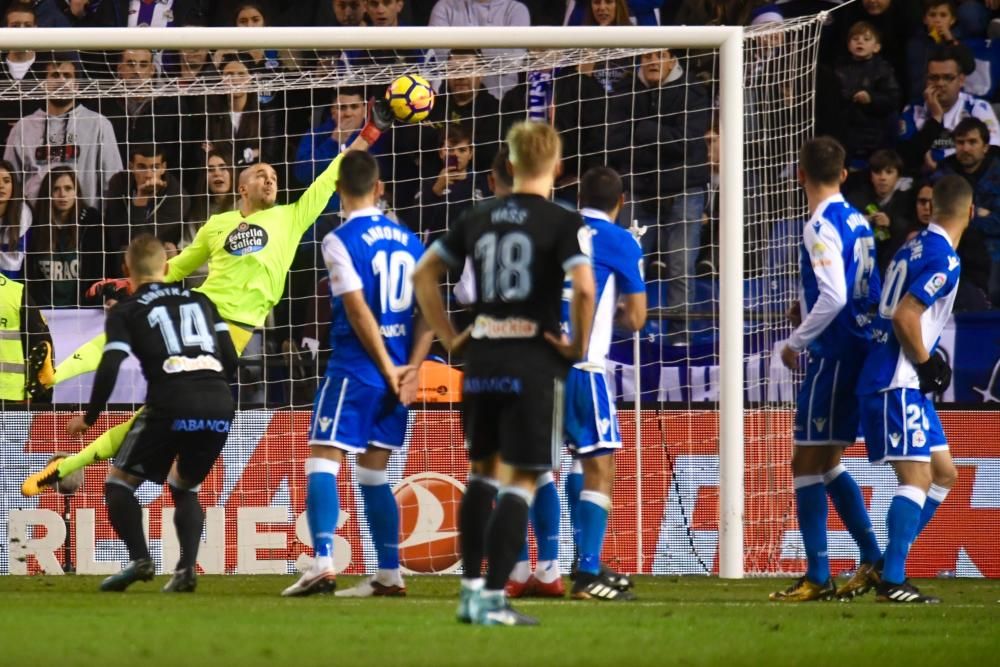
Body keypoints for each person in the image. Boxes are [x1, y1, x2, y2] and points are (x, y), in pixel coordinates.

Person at [20, 99, 394, 496]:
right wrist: (126, 283)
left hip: (227, 334)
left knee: (160, 411)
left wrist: (373, 129)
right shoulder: (218, 225)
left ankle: (68, 464)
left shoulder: (291, 216)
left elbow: (336, 169)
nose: (270, 180)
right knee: (131, 320)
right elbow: (176, 269)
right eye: (261, 174)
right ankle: (53, 375)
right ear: (242, 186)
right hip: (197, 311)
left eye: (273, 177)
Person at [413, 121, 596, 626]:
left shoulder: (479, 215)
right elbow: (583, 289)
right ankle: (493, 599)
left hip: (483, 358)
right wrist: (575, 346)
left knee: (481, 475)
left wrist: (451, 338)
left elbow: (423, 274)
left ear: (509, 165)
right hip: (534, 359)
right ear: (557, 168)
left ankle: (471, 591)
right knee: (524, 479)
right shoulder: (564, 221)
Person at [281, 150, 432, 598]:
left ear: (337, 191)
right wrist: (411, 370)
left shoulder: (339, 239)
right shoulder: (411, 241)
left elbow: (357, 307)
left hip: (356, 368)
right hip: (399, 374)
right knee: (372, 473)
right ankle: (388, 573)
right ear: (380, 187)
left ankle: (323, 562)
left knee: (322, 457)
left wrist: (385, 365)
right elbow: (431, 312)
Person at [66, 235, 237, 593]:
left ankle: (141, 558)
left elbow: (111, 362)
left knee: (118, 484)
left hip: (172, 399)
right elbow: (231, 358)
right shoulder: (202, 300)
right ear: (166, 267)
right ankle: (186, 570)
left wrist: (90, 417)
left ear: (126, 270)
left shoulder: (127, 309)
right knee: (185, 485)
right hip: (220, 401)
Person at [507, 167, 646, 602]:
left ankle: (540, 565)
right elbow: (637, 318)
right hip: (583, 367)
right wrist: (615, 316)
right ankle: (587, 570)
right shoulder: (620, 240)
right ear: (620, 203)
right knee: (599, 465)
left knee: (540, 468)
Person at [771, 137, 883, 603]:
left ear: (800, 175)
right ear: (843, 173)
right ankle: (873, 558)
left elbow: (834, 294)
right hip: (861, 345)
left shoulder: (819, 223)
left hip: (834, 353)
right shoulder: (857, 217)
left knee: (805, 462)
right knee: (829, 461)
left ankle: (818, 574)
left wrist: (795, 340)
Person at [856, 175, 972, 604]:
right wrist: (926, 364)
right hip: (897, 379)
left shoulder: (911, 244)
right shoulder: (946, 258)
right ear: (969, 211)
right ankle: (892, 580)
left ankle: (886, 564)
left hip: (893, 375)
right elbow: (907, 317)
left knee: (944, 473)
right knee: (918, 477)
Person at [608, 49, 709, 343]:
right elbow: (613, 140)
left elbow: (687, 142)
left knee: (681, 267)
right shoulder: (626, 91)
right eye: (647, 56)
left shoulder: (692, 90)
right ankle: (622, 337)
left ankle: (679, 339)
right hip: (638, 190)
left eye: (660, 55)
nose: (652, 62)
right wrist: (662, 136)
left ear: (673, 60)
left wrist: (644, 130)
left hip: (684, 191)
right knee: (628, 262)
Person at [3, 51, 123, 208]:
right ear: (42, 84)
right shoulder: (22, 128)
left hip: (85, 224)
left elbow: (113, 183)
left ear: (77, 85)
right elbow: (10, 183)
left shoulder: (99, 125)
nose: (61, 81)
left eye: (67, 76)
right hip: (36, 225)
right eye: (54, 75)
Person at [897, 45, 1000, 174]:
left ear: (961, 80)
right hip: (922, 182)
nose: (940, 83)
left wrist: (943, 170)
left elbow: (993, 153)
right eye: (934, 78)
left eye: (948, 78)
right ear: (926, 80)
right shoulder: (913, 110)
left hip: (967, 180)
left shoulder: (977, 108)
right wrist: (935, 118)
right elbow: (906, 158)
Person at [933, 117, 1000, 305]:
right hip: (954, 247)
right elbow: (936, 214)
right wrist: (979, 213)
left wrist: (964, 216)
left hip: (992, 249)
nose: (966, 148)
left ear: (985, 147)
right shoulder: (944, 172)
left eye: (972, 142)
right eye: (960, 142)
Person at [103, 144, 191, 276]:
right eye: (142, 167)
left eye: (155, 167)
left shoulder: (177, 197)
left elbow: (140, 244)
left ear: (163, 168)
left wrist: (140, 200)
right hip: (119, 269)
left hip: (157, 270)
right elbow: (116, 238)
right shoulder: (119, 184)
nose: (149, 175)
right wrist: (141, 197)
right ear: (131, 167)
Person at [23, 166, 104, 308]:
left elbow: (99, 270)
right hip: (43, 312)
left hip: (82, 311)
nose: (62, 194)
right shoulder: (34, 224)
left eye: (68, 188)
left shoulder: (91, 222)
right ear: (48, 192)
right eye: (56, 189)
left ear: (76, 191)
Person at [428, 0, 531, 100]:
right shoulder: (444, 7)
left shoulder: (516, 10)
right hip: (452, 100)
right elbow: (440, 58)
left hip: (503, 102)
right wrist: (492, 44)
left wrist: (463, 43)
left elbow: (512, 62)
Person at [832, 21, 901, 166]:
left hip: (875, 131)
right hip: (848, 131)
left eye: (866, 39)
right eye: (855, 39)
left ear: (877, 47)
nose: (860, 42)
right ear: (848, 44)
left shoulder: (883, 69)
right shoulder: (839, 69)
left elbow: (892, 99)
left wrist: (871, 99)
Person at [844, 149, 918, 274]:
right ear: (871, 176)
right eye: (877, 172)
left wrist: (891, 223)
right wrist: (859, 221)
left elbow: (912, 230)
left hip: (894, 265)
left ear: (898, 176)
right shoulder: (856, 199)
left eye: (889, 172)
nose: (882, 177)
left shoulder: (908, 201)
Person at [416, 122, 488, 244]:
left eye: (462, 150)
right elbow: (415, 225)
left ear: (471, 153)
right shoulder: (428, 185)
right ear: (441, 153)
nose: (456, 154)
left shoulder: (483, 184)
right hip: (438, 253)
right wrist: (435, 191)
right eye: (450, 150)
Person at [0, 272, 53, 403]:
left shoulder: (16, 293)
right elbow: (42, 343)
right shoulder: (15, 292)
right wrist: (42, 397)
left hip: (11, 394)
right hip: (11, 393)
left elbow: (41, 345)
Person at [0, 159, 32, 280]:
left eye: (6, 181)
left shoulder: (23, 214)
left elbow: (14, 264)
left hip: (14, 282)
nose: (1, 185)